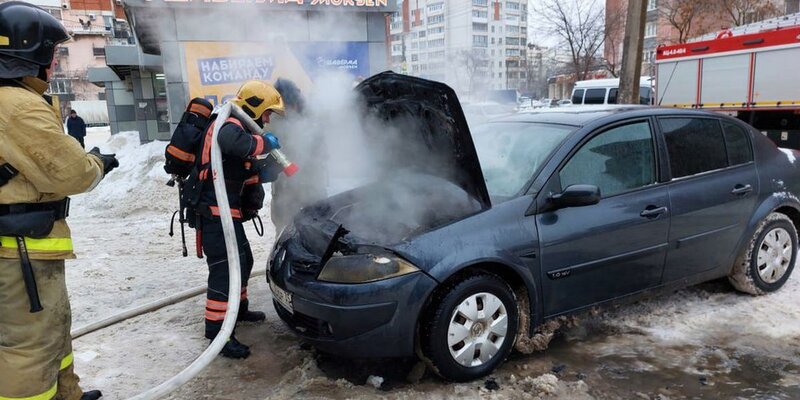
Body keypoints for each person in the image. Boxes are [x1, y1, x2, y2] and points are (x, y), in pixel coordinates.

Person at [0, 2, 119, 400]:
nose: (53, 66)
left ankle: (66, 393)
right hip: (18, 250)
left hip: (22, 247)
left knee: (50, 332)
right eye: (51, 55)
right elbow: (72, 173)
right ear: (31, 55)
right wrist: (98, 162)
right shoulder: (15, 106)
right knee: (29, 348)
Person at [195, 80, 285, 359]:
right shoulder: (229, 124)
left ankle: (239, 310)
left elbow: (244, 172)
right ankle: (218, 334)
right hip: (214, 213)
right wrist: (263, 142)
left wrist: (273, 169)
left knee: (243, 260)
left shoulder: (239, 127)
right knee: (224, 271)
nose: (268, 119)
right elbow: (235, 143)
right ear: (254, 106)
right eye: (267, 112)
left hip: (225, 212)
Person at [270, 78, 327, 232]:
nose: (288, 109)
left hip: (312, 183)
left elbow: (322, 148)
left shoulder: (312, 116)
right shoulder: (274, 117)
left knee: (319, 227)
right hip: (285, 185)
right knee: (285, 228)